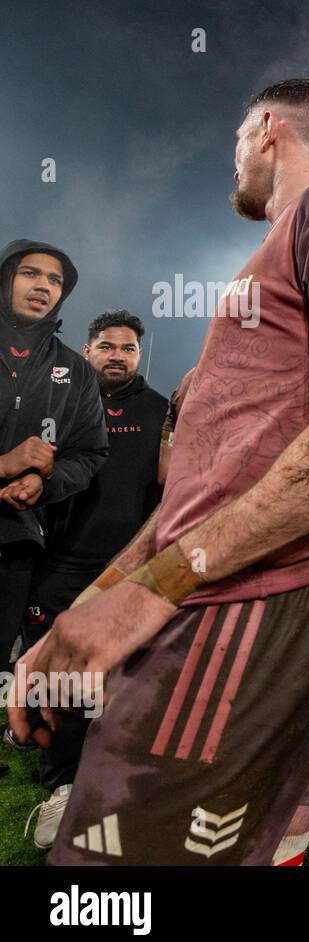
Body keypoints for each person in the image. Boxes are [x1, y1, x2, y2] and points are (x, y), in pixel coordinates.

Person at [11, 78, 309, 865]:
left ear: (267, 128)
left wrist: (149, 596)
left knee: (108, 878)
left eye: (236, 137)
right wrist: (93, 608)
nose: (230, 158)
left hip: (258, 598)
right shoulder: (263, 266)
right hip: (222, 592)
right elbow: (196, 500)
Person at [21, 310, 167, 849]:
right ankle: (61, 786)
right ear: (86, 352)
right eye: (106, 346)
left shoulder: (161, 412)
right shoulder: (56, 404)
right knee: (61, 681)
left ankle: (128, 786)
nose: (117, 356)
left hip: (132, 572)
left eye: (127, 348)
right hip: (61, 566)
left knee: (133, 684)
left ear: (138, 355)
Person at [0, 241, 107, 675]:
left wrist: (47, 482)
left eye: (55, 280)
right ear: (6, 278)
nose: (43, 285)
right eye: (30, 273)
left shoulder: (75, 370)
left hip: (15, 542)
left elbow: (91, 451)